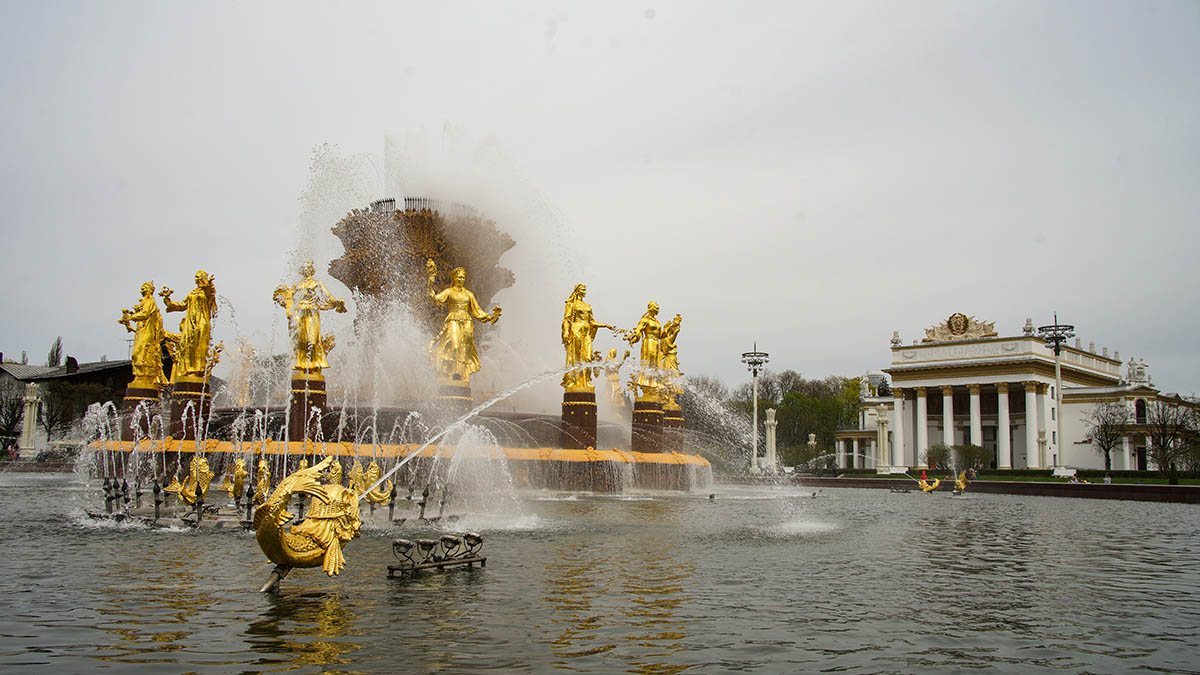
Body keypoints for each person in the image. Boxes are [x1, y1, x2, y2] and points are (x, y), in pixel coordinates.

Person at [427, 260, 501, 385]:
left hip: (467, 322)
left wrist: (490, 317)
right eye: (459, 277)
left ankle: (463, 374)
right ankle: (448, 373)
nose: (461, 279)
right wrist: (430, 281)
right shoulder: (449, 292)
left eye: (463, 277)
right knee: (454, 345)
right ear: (455, 278)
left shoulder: (469, 294)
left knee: (465, 349)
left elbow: (477, 311)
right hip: (453, 320)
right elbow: (436, 299)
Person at [275, 259, 347, 373]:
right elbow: (289, 297)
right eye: (304, 268)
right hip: (299, 312)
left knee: (312, 340)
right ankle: (301, 365)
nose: (306, 270)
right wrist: (282, 298)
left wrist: (335, 302)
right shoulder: (296, 285)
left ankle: (315, 364)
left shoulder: (317, 283)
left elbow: (327, 295)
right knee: (301, 340)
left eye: (308, 268)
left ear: (312, 270)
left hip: (312, 312)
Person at [161, 270, 217, 381]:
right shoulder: (192, 293)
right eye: (195, 277)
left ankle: (198, 370)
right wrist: (168, 300)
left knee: (199, 345)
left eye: (198, 277)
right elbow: (182, 305)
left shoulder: (207, 291)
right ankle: (188, 370)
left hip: (202, 321)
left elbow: (211, 294)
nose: (196, 279)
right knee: (188, 345)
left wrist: (209, 284)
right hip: (190, 322)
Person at [560, 284, 613, 389]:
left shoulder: (588, 306)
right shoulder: (571, 304)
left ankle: (586, 380)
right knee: (575, 357)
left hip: (587, 333)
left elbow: (592, 322)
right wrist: (566, 332)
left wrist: (605, 325)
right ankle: (572, 381)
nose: (584, 291)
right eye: (582, 289)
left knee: (588, 358)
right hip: (576, 331)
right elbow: (567, 319)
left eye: (585, 289)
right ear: (577, 290)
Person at [120, 281, 168, 389]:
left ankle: (145, 377)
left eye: (144, 288)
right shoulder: (145, 302)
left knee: (142, 353)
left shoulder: (150, 301)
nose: (142, 290)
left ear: (150, 290)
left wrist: (131, 317)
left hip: (148, 333)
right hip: (141, 333)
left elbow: (145, 314)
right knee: (136, 354)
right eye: (142, 288)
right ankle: (139, 376)